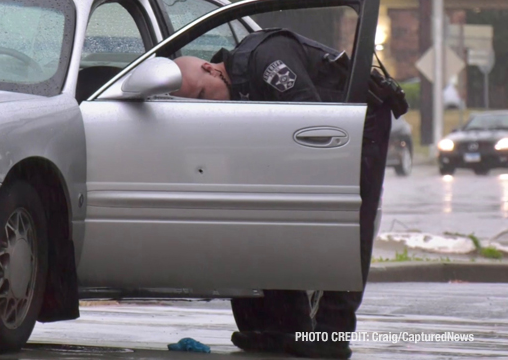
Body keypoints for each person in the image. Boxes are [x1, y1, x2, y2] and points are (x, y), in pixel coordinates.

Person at [172, 29, 405, 359]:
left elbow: (311, 122)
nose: (202, 108)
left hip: (355, 122)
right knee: (260, 220)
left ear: (212, 69)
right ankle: (275, 327)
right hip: (309, 135)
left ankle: (332, 333)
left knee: (347, 228)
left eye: (199, 97)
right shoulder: (236, 87)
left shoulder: (266, 62)